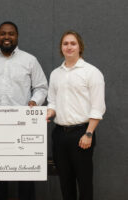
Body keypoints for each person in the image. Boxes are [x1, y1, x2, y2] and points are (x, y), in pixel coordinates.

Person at [0, 21, 48, 200]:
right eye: (3, 34)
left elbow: (42, 87)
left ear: (17, 36)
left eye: (11, 33)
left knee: (25, 175)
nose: (7, 37)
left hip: (22, 126)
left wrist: (34, 103)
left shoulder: (30, 60)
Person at [46, 30, 106, 200]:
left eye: (73, 43)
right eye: (65, 43)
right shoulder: (55, 74)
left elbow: (98, 107)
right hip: (59, 134)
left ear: (80, 47)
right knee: (65, 182)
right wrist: (49, 112)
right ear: (61, 48)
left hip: (82, 134)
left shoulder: (92, 72)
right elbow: (52, 102)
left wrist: (89, 133)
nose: (69, 47)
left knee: (84, 182)